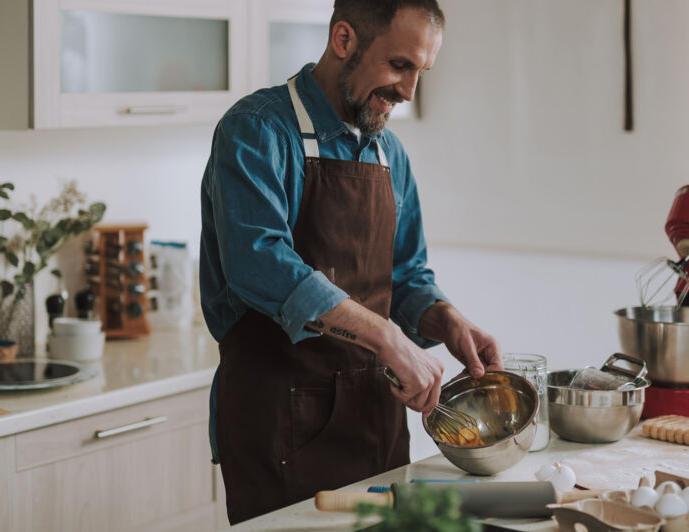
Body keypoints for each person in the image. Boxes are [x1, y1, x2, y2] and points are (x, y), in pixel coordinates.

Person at [199, 0, 501, 524]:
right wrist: (388, 338)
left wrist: (446, 320)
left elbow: (405, 276)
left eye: (421, 72)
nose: (408, 92)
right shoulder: (257, 131)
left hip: (375, 423)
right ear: (344, 40)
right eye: (399, 65)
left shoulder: (391, 155)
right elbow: (259, 264)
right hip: (278, 428)